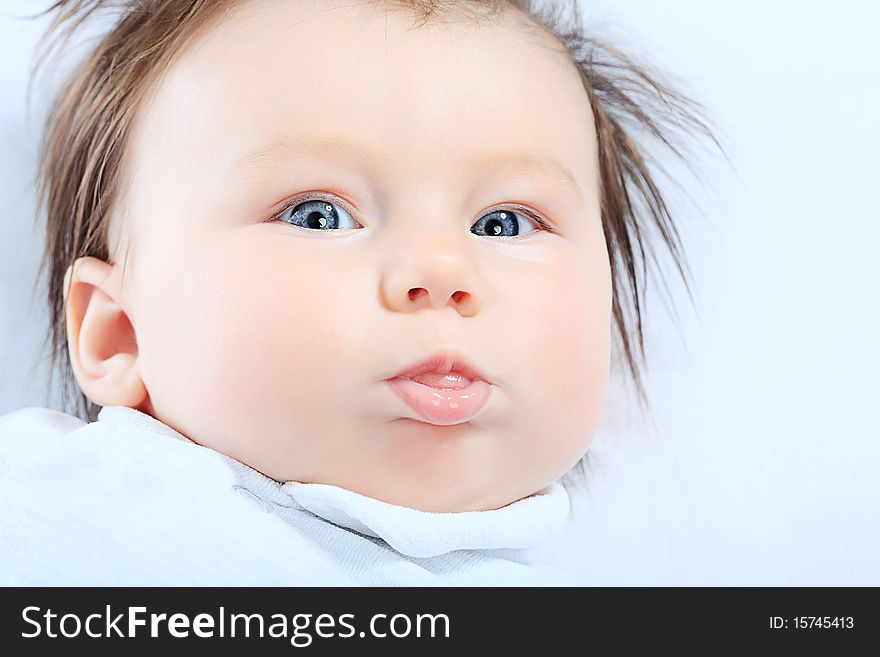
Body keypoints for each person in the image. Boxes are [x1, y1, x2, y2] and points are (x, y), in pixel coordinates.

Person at [0, 0, 722, 585]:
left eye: (503, 223)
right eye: (319, 215)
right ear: (120, 334)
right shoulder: (57, 499)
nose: (442, 271)